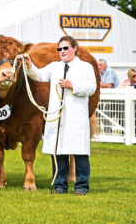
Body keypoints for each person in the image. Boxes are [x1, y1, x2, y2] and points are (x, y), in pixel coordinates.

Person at [20, 36, 96, 195]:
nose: (62, 52)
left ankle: (81, 186)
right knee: (59, 152)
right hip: (58, 117)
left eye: (65, 48)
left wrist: (72, 85)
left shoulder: (85, 67)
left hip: (76, 117)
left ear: (75, 48)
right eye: (60, 49)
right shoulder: (54, 66)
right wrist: (29, 65)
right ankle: (60, 186)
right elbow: (38, 75)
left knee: (80, 152)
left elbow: (91, 88)